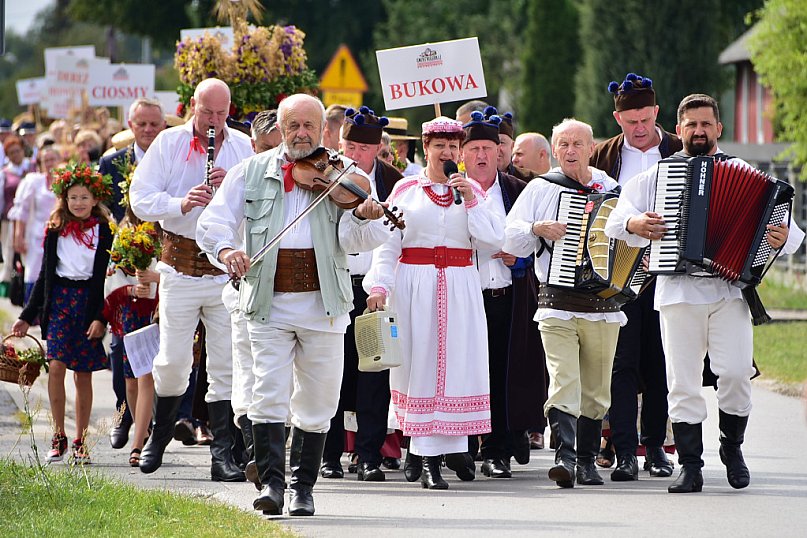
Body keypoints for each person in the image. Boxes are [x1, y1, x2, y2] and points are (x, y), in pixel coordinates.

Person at [196, 93, 388, 516]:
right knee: (267, 392)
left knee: (318, 399)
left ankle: (304, 487)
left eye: (310, 126)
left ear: (325, 131)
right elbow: (213, 223)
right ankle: (271, 486)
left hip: (325, 302)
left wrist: (365, 218)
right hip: (268, 299)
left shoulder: (346, 175)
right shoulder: (250, 172)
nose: (302, 134)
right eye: (293, 126)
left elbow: (353, 244)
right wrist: (227, 251)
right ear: (279, 129)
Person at [604, 93, 805, 493]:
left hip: (729, 291)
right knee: (682, 381)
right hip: (676, 293)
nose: (698, 131)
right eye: (691, 125)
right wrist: (637, 222)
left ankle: (732, 446)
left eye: (706, 124)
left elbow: (792, 236)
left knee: (734, 375)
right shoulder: (657, 176)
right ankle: (691, 466)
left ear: (718, 129)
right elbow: (614, 221)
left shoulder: (742, 170)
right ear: (678, 130)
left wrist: (782, 237)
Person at [364, 116, 503, 489]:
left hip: (459, 285)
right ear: (426, 149)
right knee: (421, 365)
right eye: (440, 146)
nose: (447, 153)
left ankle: (453, 447)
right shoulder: (406, 191)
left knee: (457, 364)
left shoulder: (472, 191)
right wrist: (378, 286)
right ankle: (425, 456)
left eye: (453, 147)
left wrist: (471, 200)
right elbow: (388, 244)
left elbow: (492, 240)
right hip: (415, 285)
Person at [129, 78, 254, 480]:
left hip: (222, 273)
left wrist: (231, 192)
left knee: (225, 365)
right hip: (180, 267)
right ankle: (158, 437)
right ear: (192, 108)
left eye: (221, 113)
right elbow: (140, 198)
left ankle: (222, 456)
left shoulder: (241, 146)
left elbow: (256, 206)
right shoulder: (167, 143)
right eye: (207, 113)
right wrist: (181, 201)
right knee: (172, 362)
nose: (214, 121)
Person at [504, 118, 626, 488]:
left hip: (603, 305)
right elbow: (510, 237)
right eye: (564, 145)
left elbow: (631, 239)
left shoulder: (610, 187)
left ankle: (587, 461)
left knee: (596, 389)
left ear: (591, 148)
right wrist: (535, 229)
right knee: (563, 379)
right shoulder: (541, 188)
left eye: (578, 144)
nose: (571, 151)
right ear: (554, 152)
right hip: (555, 300)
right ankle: (566, 459)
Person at [590, 72, 682, 481]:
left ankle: (657, 449)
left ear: (657, 113)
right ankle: (625, 449)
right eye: (631, 122)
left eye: (645, 119)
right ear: (617, 119)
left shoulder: (680, 149)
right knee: (621, 363)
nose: (640, 129)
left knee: (662, 362)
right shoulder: (604, 155)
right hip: (619, 273)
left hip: (671, 269)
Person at [459, 109, 546, 479]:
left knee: (507, 372)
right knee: (468, 374)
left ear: (500, 152)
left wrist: (520, 254)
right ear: (462, 154)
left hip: (510, 294)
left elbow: (539, 239)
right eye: (473, 148)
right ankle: (464, 446)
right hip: (466, 297)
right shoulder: (452, 191)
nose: (481, 155)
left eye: (487, 148)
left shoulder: (517, 190)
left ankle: (501, 446)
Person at [320, 106, 404, 483]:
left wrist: (378, 285)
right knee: (332, 373)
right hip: (336, 284)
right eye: (348, 145)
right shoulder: (326, 180)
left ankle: (369, 455)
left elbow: (395, 240)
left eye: (361, 149)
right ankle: (330, 454)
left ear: (377, 150)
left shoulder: (394, 182)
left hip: (376, 290)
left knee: (374, 375)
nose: (353, 155)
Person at [11, 162, 114, 465]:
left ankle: (81, 440)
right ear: (64, 200)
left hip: (88, 304)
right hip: (60, 303)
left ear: (95, 199)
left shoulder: (103, 230)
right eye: (73, 198)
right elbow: (45, 275)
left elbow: (104, 279)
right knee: (56, 367)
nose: (78, 203)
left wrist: (101, 317)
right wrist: (27, 316)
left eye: (84, 197)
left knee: (82, 374)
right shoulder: (56, 229)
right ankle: (59, 436)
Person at [98, 98, 167, 450]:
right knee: (120, 353)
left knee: (160, 356)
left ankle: (157, 423)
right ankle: (124, 415)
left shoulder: (172, 156)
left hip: (160, 255)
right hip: (121, 258)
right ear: (130, 124)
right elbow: (102, 212)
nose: (148, 130)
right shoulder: (112, 163)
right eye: (141, 124)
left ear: (163, 125)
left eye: (154, 124)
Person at [8, 146, 61, 304]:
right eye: (46, 160)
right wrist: (19, 236)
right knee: (33, 273)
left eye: (52, 159)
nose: (49, 163)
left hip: (58, 233)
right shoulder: (33, 181)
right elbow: (22, 210)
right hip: (36, 234)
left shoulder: (65, 180)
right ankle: (32, 311)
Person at [0, 136, 35, 292]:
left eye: (18, 151)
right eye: (11, 152)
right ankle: (9, 285)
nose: (15, 155)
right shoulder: (5, 173)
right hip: (10, 219)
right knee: (10, 251)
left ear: (23, 151)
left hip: (32, 218)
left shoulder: (32, 167)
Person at [487, 109, 535, 182]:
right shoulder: (468, 180)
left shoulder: (531, 181)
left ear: (512, 146)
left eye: (501, 142)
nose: (496, 149)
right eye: (491, 142)